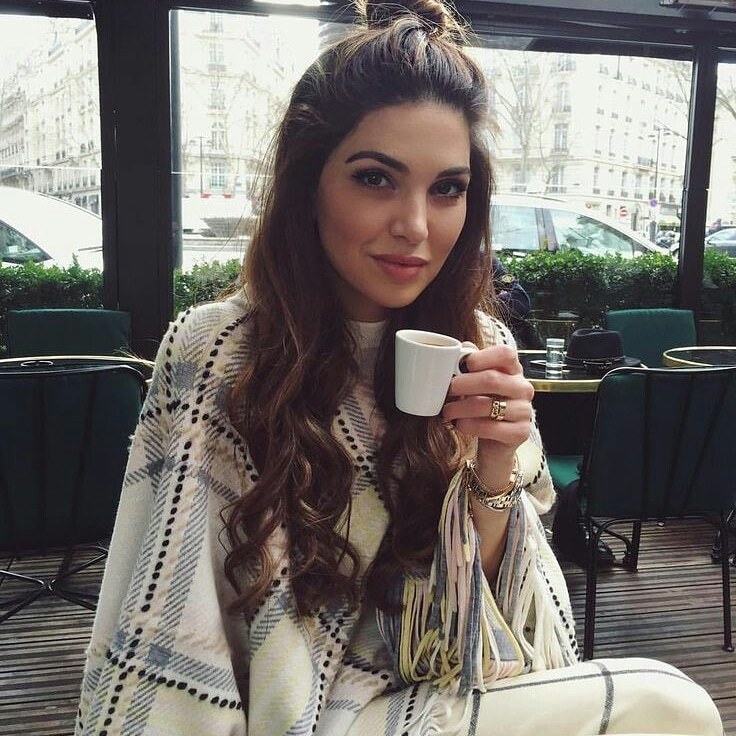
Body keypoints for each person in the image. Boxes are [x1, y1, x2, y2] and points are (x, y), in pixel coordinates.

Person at [75, 2, 723, 734]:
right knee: (667, 708)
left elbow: (496, 627)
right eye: (376, 179)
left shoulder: (479, 343)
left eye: (447, 189)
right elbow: (167, 627)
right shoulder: (222, 348)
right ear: (308, 183)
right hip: (293, 718)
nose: (416, 225)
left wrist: (494, 470)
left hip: (435, 692)